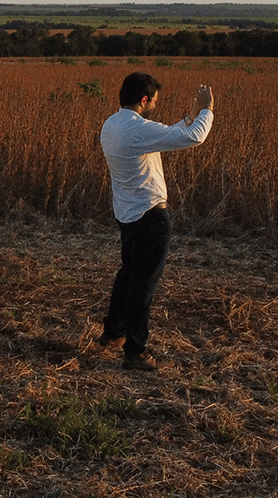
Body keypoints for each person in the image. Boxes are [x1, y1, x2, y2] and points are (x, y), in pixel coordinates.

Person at [95, 72, 214, 371]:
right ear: (144, 100)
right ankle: (136, 352)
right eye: (154, 102)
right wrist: (206, 110)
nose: (155, 107)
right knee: (142, 287)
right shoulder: (137, 130)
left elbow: (165, 133)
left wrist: (189, 115)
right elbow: (192, 137)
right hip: (151, 217)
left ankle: (113, 334)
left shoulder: (111, 125)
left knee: (127, 277)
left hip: (127, 215)